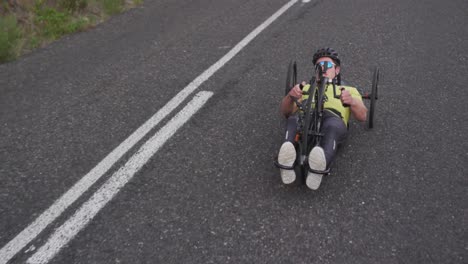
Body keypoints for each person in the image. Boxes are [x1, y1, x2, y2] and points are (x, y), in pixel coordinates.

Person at [277, 48, 367, 190]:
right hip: (306, 113)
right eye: (319, 66)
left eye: (328, 65)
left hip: (333, 117)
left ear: (337, 70)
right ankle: (286, 159)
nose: (323, 69)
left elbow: (362, 116)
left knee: (332, 127)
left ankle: (318, 166)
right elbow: (286, 112)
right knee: (293, 120)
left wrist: (352, 101)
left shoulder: (348, 89)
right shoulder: (305, 87)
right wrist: (290, 96)